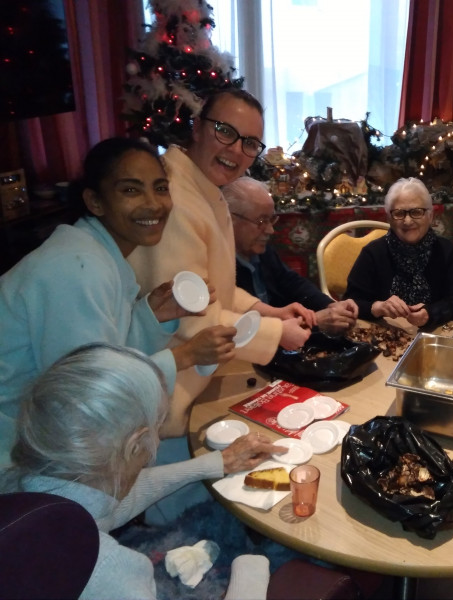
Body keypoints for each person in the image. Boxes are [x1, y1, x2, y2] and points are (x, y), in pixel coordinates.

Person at [0, 138, 234, 465]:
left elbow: (105, 353)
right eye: (130, 190)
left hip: (51, 432)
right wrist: (185, 355)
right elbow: (92, 395)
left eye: (161, 188)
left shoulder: (101, 255)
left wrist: (150, 316)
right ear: (95, 201)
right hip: (17, 456)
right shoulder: (77, 268)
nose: (154, 204)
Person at [0, 343, 286, 599]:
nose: (158, 439)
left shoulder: (18, 489)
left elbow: (106, 505)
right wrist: (253, 565)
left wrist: (216, 463)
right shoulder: (110, 572)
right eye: (158, 424)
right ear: (136, 444)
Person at [127, 88, 310, 438]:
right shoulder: (175, 198)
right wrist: (277, 333)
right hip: (169, 399)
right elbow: (191, 317)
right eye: (225, 131)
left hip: (204, 372)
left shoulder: (205, 187)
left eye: (250, 143)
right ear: (197, 127)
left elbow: (214, 287)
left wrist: (269, 311)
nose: (237, 151)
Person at [224, 176, 359, 335]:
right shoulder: (220, 265)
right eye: (261, 221)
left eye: (271, 220)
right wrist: (314, 322)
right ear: (230, 219)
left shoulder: (261, 251)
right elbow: (243, 329)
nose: (270, 230)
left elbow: (293, 283)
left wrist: (330, 306)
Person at [344, 177, 453, 329]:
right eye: (399, 213)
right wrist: (377, 307)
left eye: (416, 212)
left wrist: (430, 313)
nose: (408, 221)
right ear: (389, 217)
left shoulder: (446, 250)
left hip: (434, 334)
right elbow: (349, 303)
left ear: (430, 216)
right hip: (386, 336)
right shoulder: (373, 253)